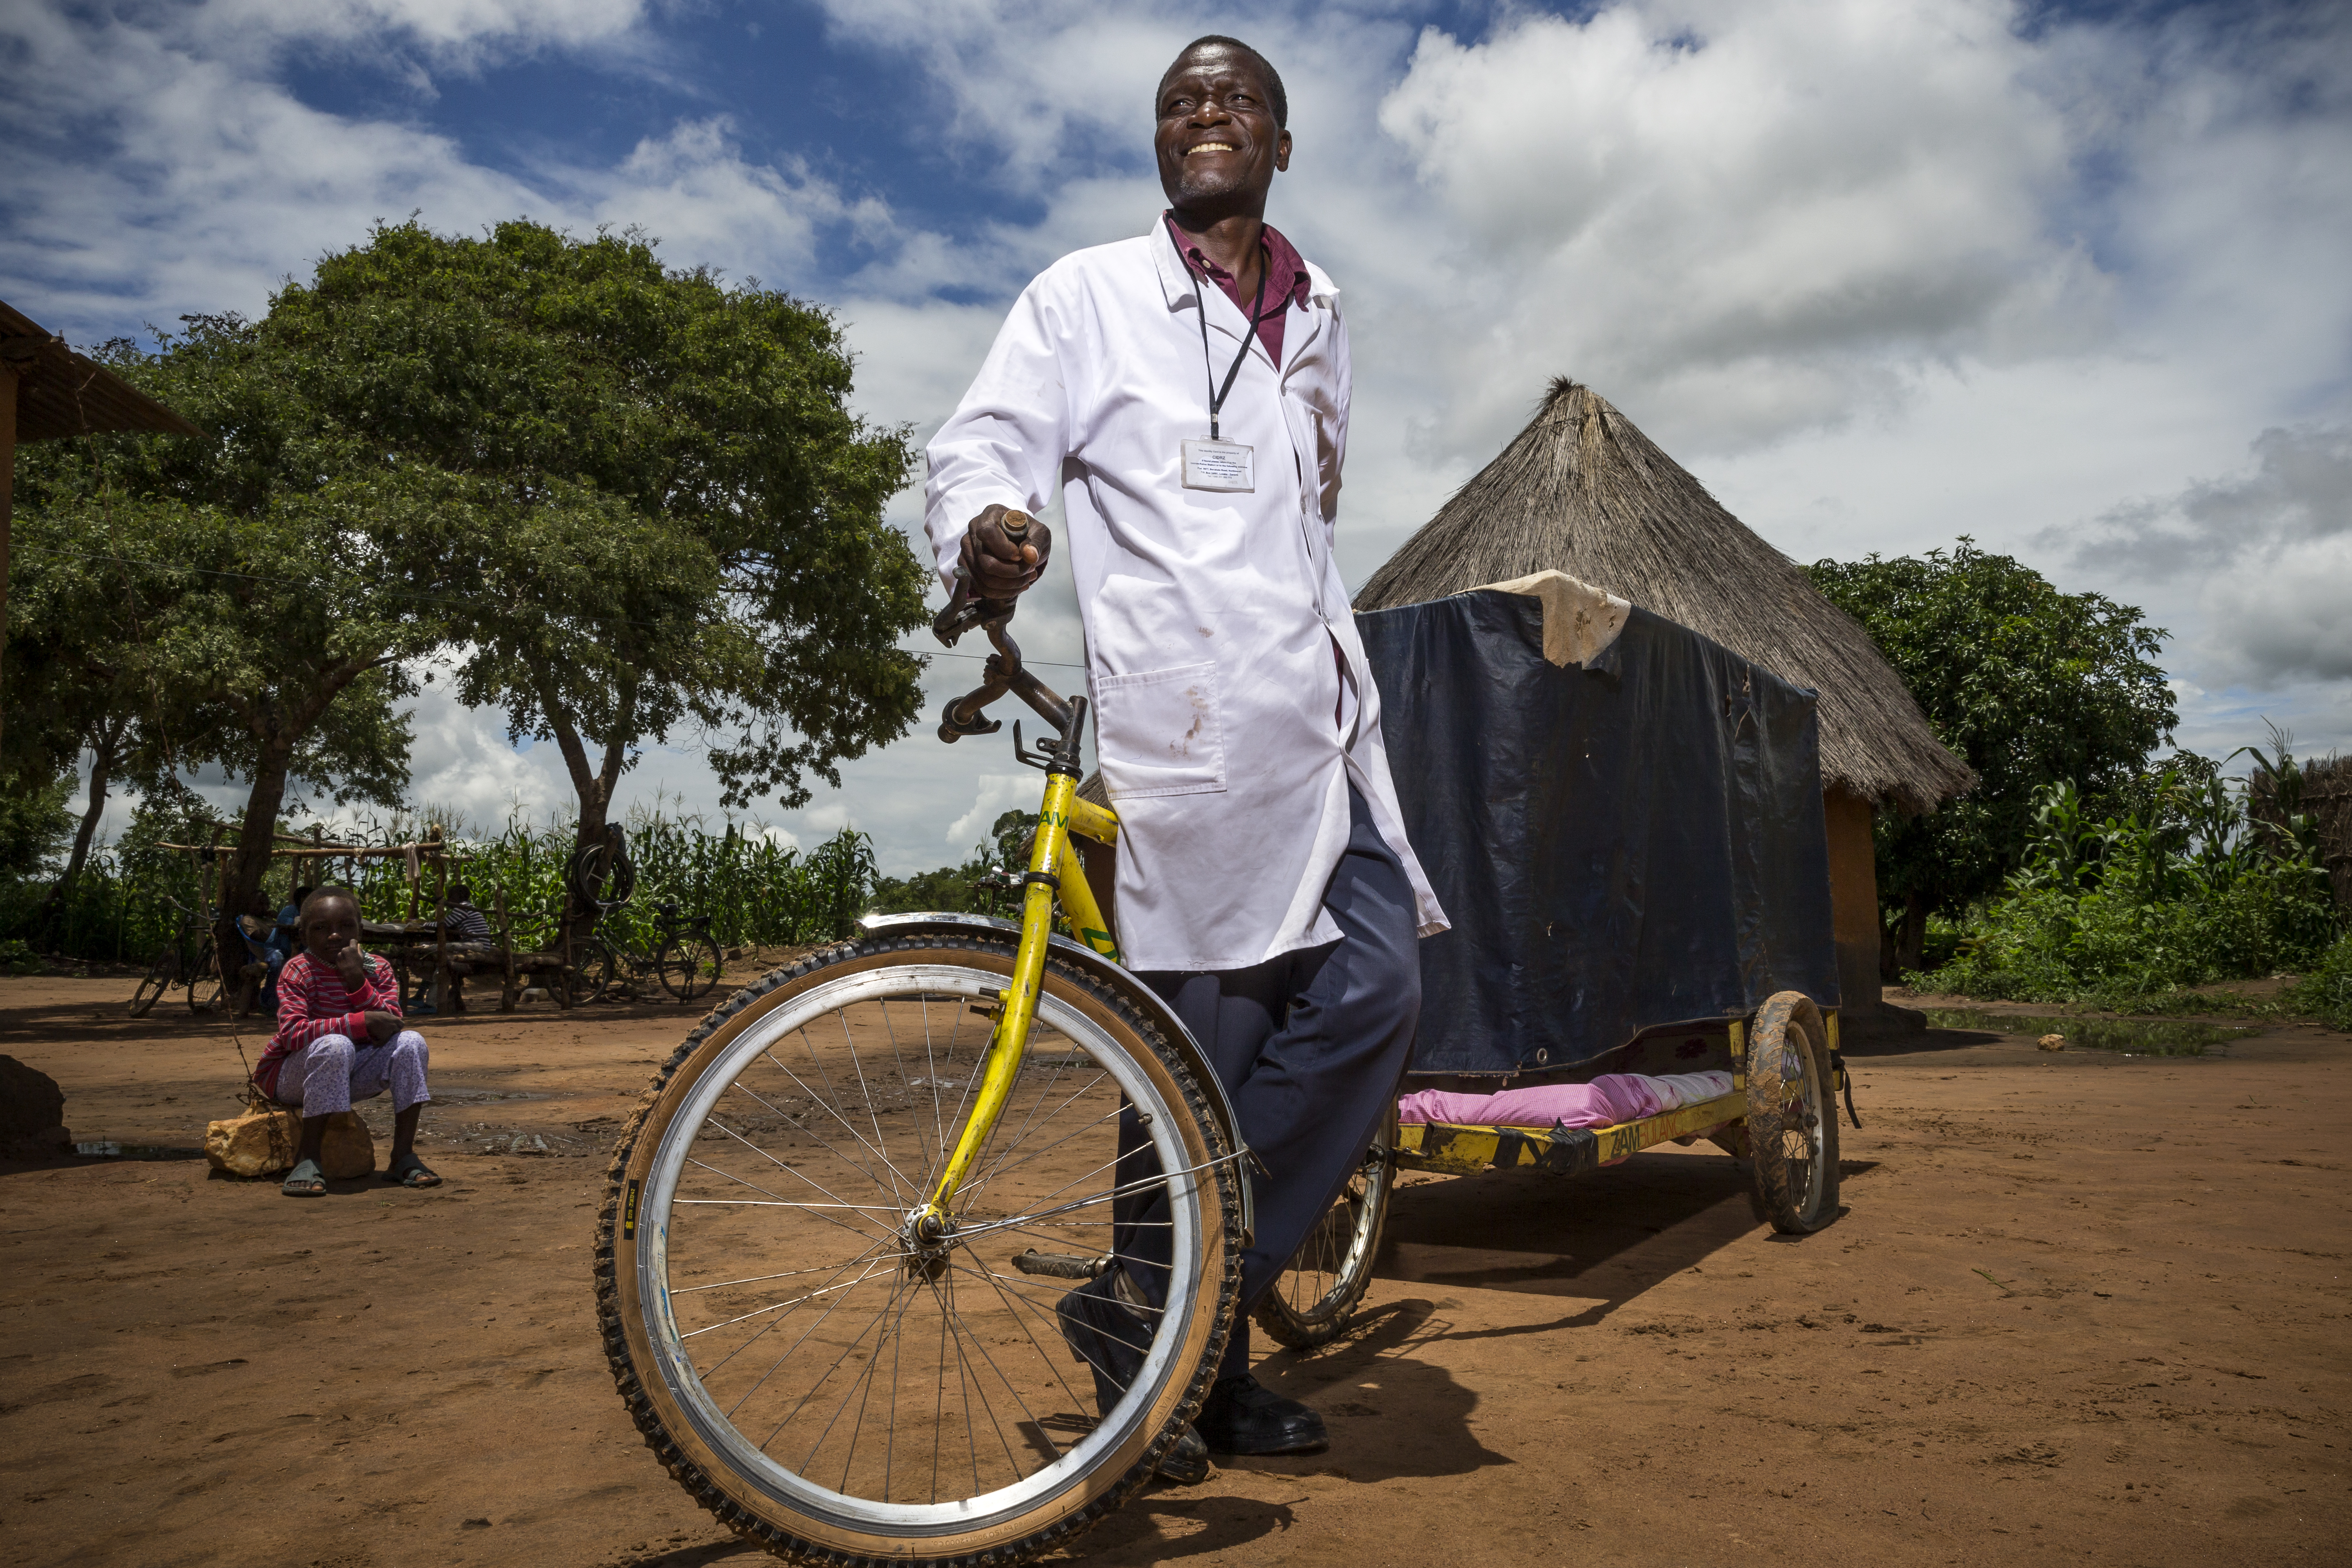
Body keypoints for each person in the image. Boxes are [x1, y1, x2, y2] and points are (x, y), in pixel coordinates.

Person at [924, 35, 1446, 1476]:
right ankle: (1181, 1374)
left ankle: (1152, 1302)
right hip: (1193, 743)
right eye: (1178, 101)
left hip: (1318, 728)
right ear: (1161, 145)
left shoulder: (1322, 309)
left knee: (1378, 986)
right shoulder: (1085, 299)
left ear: (1281, 143)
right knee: (1196, 1072)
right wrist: (989, 530)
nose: (1205, 113)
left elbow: (1314, 497)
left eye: (1235, 99)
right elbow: (981, 443)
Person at [252, 886, 441, 1196]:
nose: (335, 936)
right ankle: (309, 1157)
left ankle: (402, 1156)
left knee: (412, 1042)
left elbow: (391, 1026)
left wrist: (357, 980)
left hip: (349, 1071)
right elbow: (293, 1033)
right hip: (292, 1075)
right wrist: (360, 1022)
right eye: (321, 928)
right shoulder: (298, 969)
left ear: (361, 930)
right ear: (304, 936)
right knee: (335, 1044)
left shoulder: (376, 967)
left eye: (346, 927)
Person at [436, 882, 496, 1014]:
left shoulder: (462, 908)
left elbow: (444, 924)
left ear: (459, 897)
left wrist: (423, 925)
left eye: (451, 896)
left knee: (439, 948)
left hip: (477, 945)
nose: (449, 899)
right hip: (479, 944)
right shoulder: (468, 907)